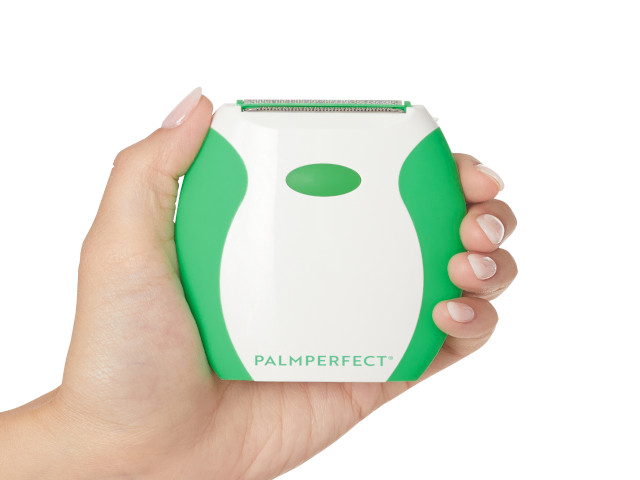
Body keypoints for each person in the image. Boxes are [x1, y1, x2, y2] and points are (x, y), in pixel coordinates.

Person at [0, 88, 518, 479]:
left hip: (380, 337)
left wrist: (113, 446)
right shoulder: (233, 135)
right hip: (237, 368)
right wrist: (112, 441)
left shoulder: (238, 131)